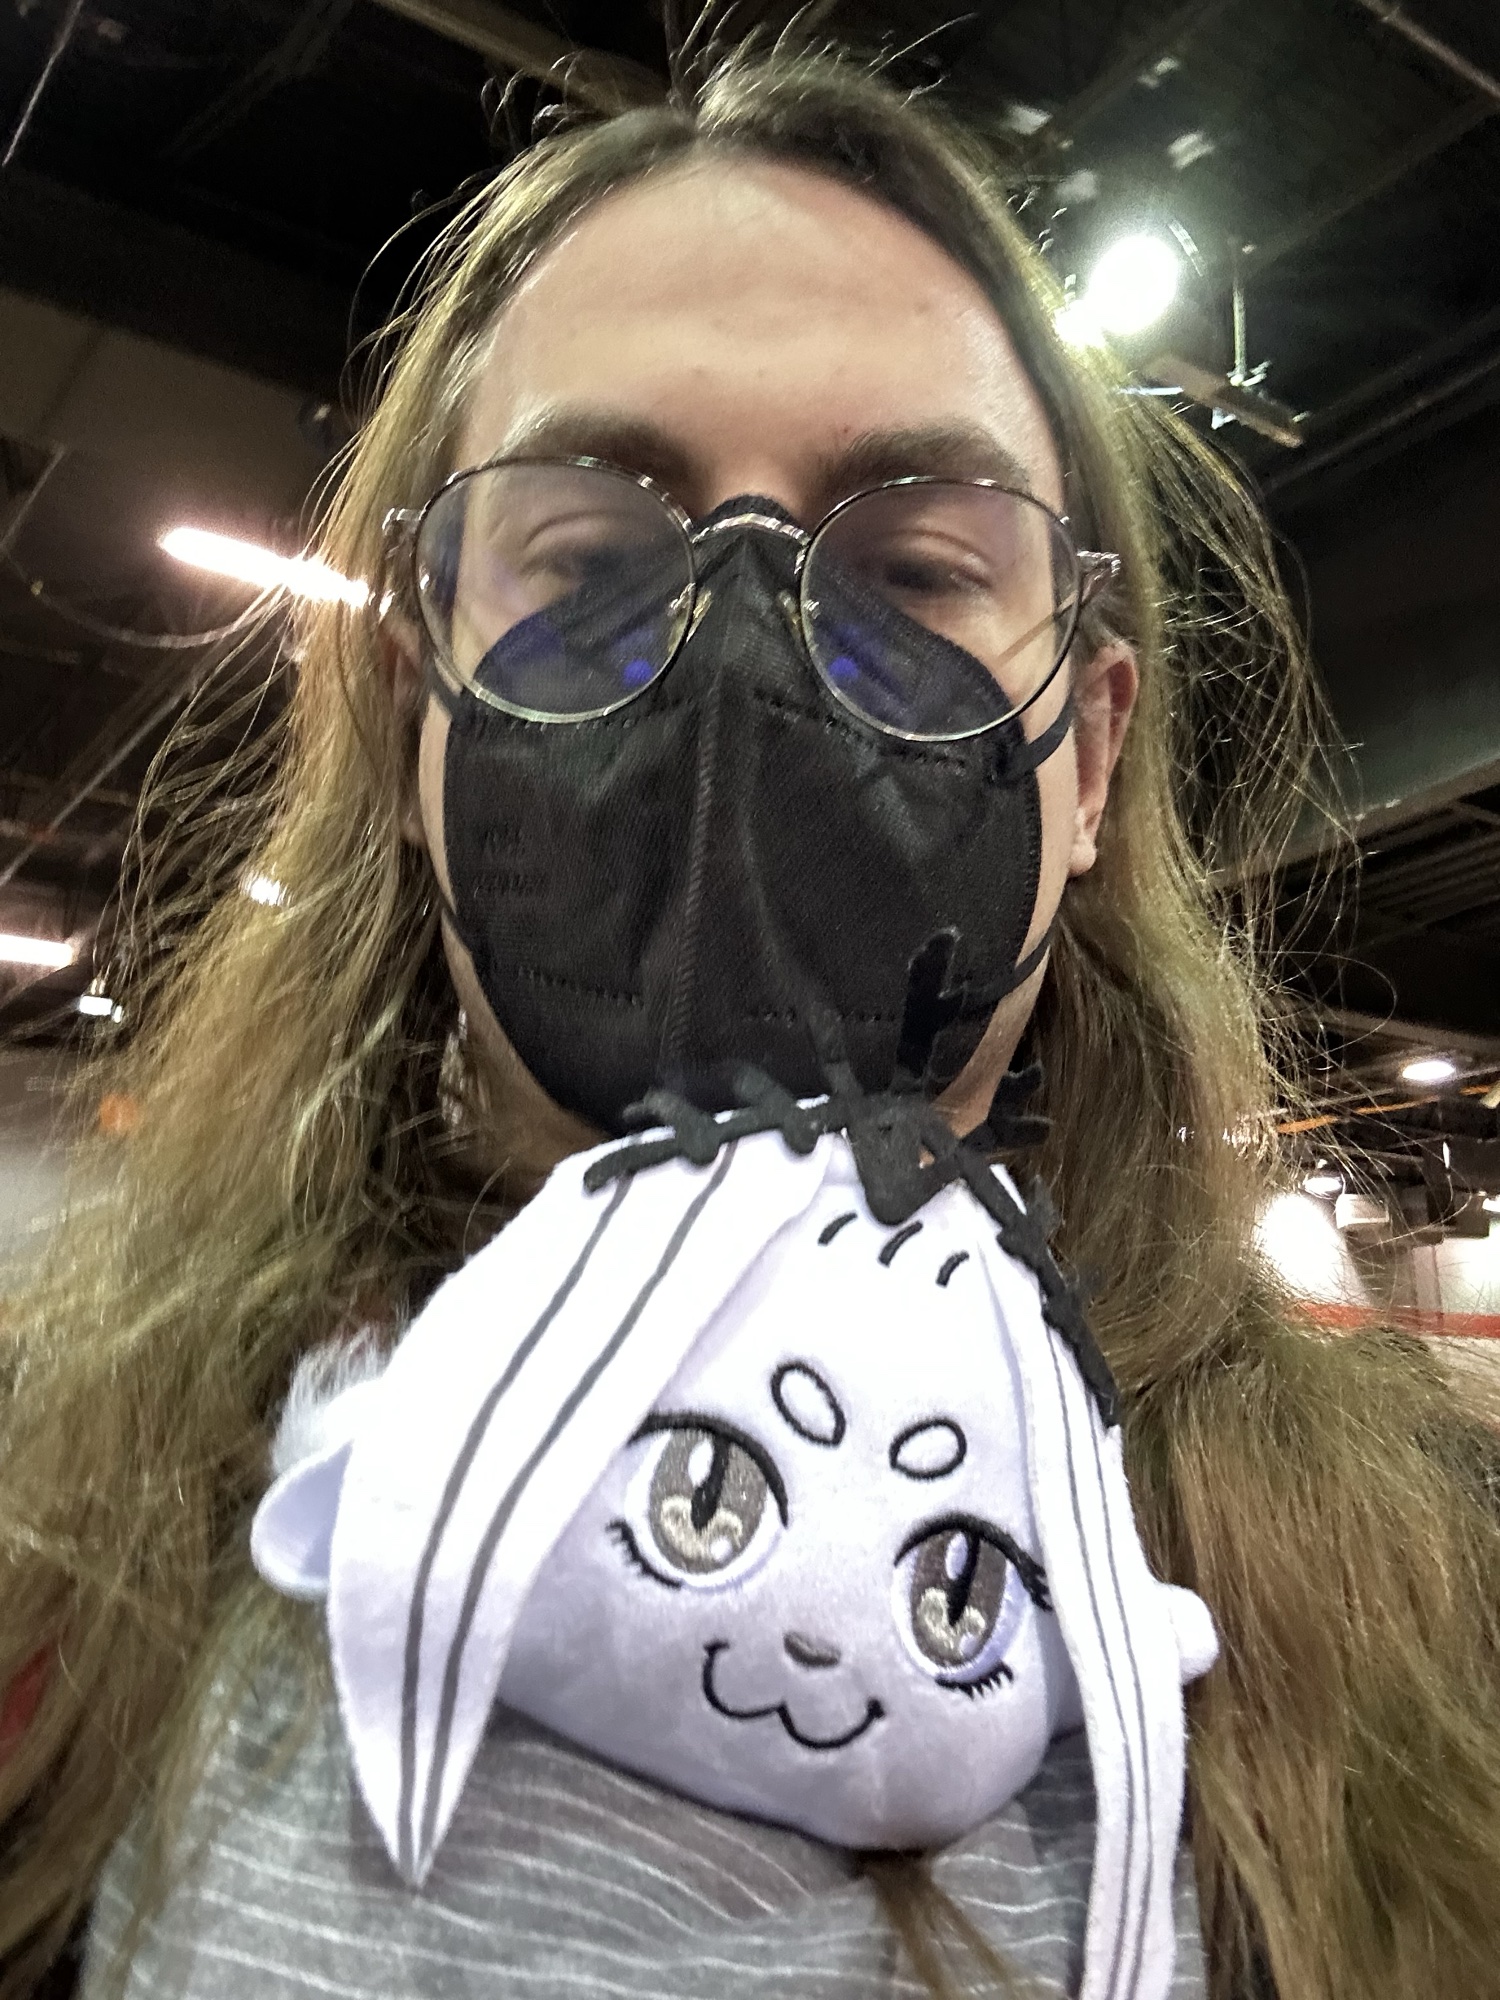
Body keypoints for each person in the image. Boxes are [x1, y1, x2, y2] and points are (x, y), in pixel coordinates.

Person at [4, 38, 1500, 2000]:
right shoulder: (56, 1545)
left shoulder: (1440, 1618)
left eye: (915, 567)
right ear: (409, 711)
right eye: (592, 558)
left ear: (1089, 760)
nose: (745, 653)